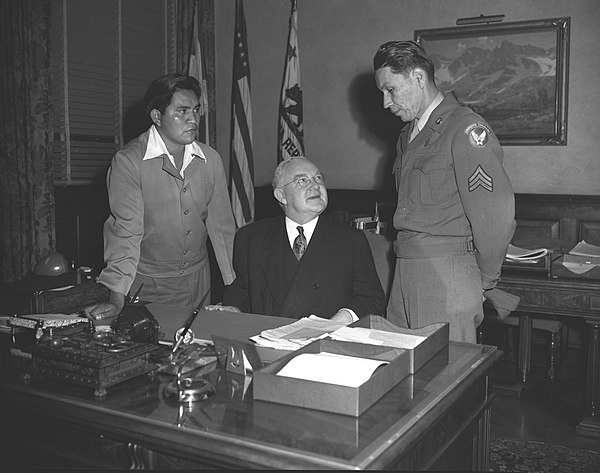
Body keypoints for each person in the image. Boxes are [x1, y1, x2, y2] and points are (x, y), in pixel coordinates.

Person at [373, 40, 516, 343]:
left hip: (446, 274)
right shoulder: (406, 136)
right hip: (404, 271)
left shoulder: (465, 129)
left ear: (418, 78)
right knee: (402, 378)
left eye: (391, 90)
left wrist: (487, 279)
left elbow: (495, 217)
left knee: (446, 379)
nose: (386, 103)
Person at [85, 73, 236, 323]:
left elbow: (223, 230)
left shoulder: (211, 159)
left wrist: (234, 289)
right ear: (157, 117)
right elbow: (125, 233)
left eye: (196, 110)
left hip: (201, 282)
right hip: (151, 287)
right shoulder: (129, 162)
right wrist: (116, 297)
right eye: (182, 111)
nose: (193, 119)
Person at [209, 157, 386, 323]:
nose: (316, 186)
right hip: (266, 340)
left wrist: (342, 318)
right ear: (281, 196)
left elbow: (372, 299)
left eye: (318, 178)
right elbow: (243, 287)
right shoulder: (251, 237)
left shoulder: (350, 240)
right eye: (303, 180)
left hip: (325, 344)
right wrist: (233, 307)